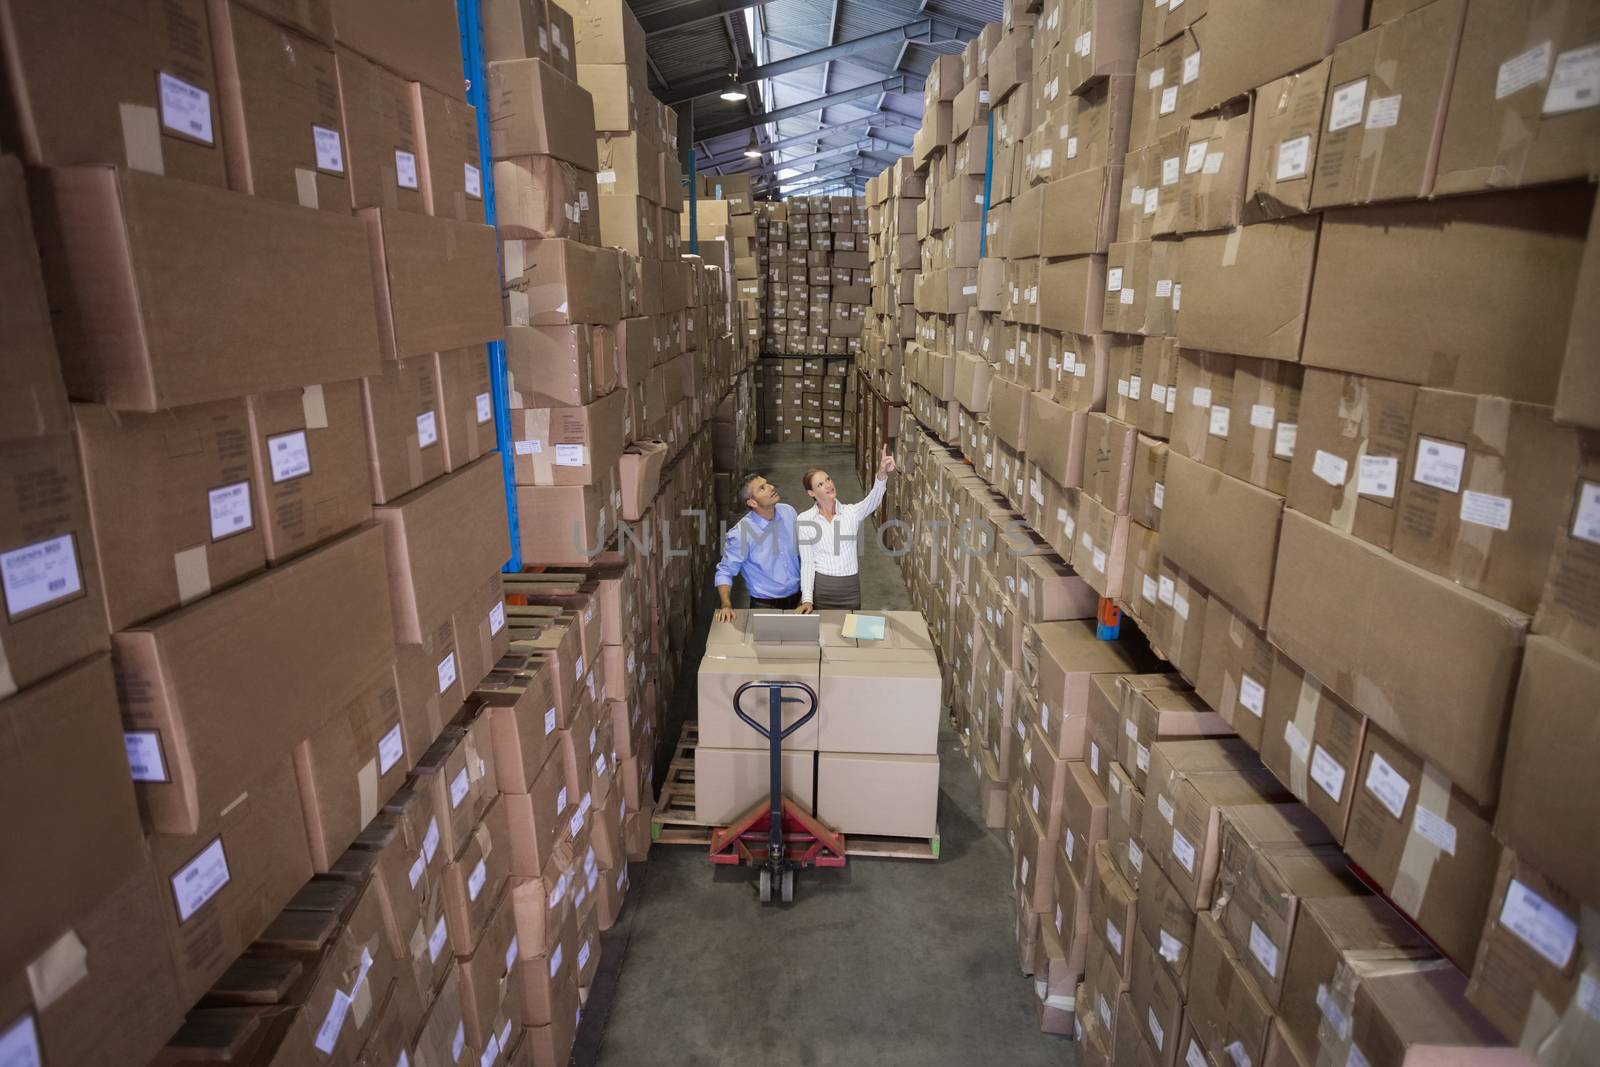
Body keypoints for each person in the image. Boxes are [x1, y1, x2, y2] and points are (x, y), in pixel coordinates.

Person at [795, 444, 897, 613]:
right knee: (825, 634)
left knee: (850, 634)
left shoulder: (851, 512)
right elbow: (807, 563)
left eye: (828, 479)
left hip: (849, 589)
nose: (828, 485)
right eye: (820, 484)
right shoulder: (804, 520)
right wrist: (807, 599)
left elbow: (873, 500)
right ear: (811, 493)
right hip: (822, 589)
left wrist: (882, 473)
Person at [713, 473, 801, 623]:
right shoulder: (741, 534)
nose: (771, 488)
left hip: (799, 600)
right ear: (752, 503)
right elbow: (725, 571)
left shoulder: (788, 512)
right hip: (765, 605)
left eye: (767, 484)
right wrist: (726, 605)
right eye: (762, 488)